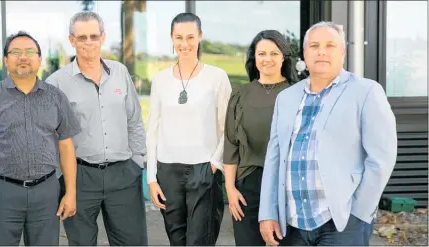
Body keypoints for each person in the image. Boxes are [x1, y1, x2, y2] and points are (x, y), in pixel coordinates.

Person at [258, 21, 397, 246]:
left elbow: (382, 157)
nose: (321, 51)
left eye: (330, 45)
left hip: (342, 222)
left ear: (342, 51)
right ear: (305, 53)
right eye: (314, 45)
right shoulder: (286, 98)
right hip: (292, 223)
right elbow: (274, 158)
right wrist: (268, 212)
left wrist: (359, 212)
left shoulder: (366, 92)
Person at [45, 11, 147, 246]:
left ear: (102, 37)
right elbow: (51, 138)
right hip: (80, 177)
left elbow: (134, 120)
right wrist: (63, 179)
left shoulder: (120, 72)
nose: (88, 43)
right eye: (82, 37)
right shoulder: (57, 83)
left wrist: (137, 163)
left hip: (123, 174)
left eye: (93, 36)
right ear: (72, 40)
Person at [0, 31, 81, 246]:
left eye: (29, 52)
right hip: (2, 192)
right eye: (15, 52)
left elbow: (66, 146)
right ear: (6, 60)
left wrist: (70, 192)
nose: (23, 57)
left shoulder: (55, 97)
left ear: (39, 59)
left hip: (46, 192)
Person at [146, 12, 231, 245]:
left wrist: (214, 164)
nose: (184, 44)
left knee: (200, 241)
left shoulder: (217, 77)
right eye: (179, 37)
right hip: (168, 171)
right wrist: (151, 177)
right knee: (177, 240)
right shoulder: (160, 80)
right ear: (172, 39)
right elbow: (152, 129)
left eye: (190, 37)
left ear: (200, 37)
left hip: (203, 169)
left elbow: (228, 128)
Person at [223, 30, 298, 246]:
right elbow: (231, 144)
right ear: (253, 58)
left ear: (284, 57)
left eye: (274, 53)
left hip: (286, 184)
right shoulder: (240, 95)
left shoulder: (297, 93)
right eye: (262, 53)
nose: (267, 59)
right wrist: (230, 189)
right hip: (247, 185)